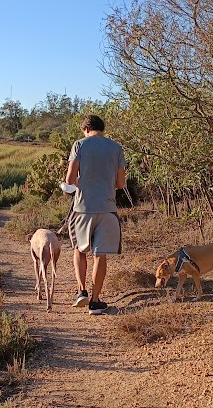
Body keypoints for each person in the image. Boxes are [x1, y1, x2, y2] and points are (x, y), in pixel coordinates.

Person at [64, 114, 126, 315]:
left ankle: (81, 290)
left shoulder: (79, 145)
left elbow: (70, 178)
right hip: (107, 209)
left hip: (82, 208)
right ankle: (95, 301)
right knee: (100, 255)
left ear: (86, 129)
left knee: (79, 250)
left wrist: (83, 180)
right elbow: (120, 184)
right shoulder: (116, 148)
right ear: (102, 129)